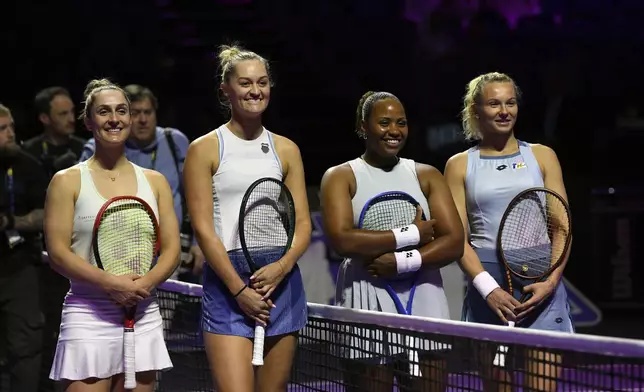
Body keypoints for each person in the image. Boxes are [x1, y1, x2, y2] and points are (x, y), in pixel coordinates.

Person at [183, 44, 311, 392]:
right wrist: (239, 290)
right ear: (226, 90)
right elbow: (204, 231)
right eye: (245, 83)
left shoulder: (286, 149)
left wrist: (281, 268)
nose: (256, 90)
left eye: (263, 82)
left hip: (279, 281)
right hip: (228, 284)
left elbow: (302, 225)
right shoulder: (204, 149)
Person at [319, 91, 464, 392]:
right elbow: (342, 240)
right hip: (365, 300)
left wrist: (399, 262)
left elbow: (454, 242)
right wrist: (411, 235)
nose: (394, 130)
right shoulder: (340, 176)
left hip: (425, 300)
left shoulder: (426, 174)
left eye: (401, 122)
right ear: (363, 127)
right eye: (384, 122)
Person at [44, 78, 179, 391]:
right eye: (104, 112)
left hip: (142, 312)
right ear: (89, 121)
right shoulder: (66, 182)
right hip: (88, 314)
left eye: (121, 111)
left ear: (130, 119)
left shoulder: (155, 182)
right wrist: (111, 284)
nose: (114, 119)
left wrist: (144, 285)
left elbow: (171, 250)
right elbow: (58, 253)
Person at [444, 71, 573, 392]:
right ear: (475, 111)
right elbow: (457, 238)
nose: (505, 111)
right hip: (489, 287)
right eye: (494, 103)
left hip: (543, 284)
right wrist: (489, 290)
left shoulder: (542, 156)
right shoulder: (459, 165)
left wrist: (551, 282)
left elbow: (562, 226)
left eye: (510, 102)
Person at [79, 84, 203, 282]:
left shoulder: (175, 141)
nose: (143, 120)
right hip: (113, 253)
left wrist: (199, 242)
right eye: (135, 113)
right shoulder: (99, 147)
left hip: (166, 254)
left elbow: (196, 195)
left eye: (148, 112)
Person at [0, 103, 47, 392]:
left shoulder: (28, 165)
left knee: (26, 350)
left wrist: (9, 220)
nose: (10, 134)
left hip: (19, 269)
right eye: (2, 129)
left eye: (12, 127)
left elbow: (47, 215)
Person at [23, 86, 86, 180]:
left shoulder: (84, 148)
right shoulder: (29, 152)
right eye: (63, 114)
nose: (72, 119)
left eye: (72, 111)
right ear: (45, 118)